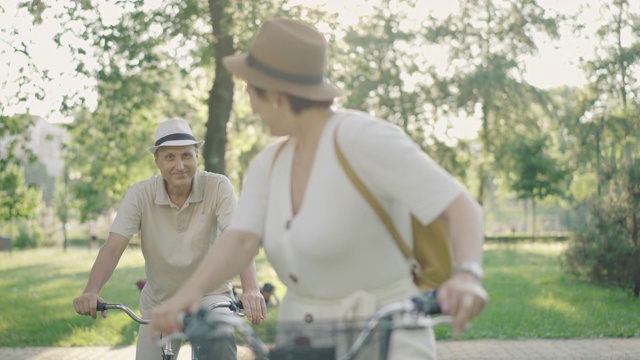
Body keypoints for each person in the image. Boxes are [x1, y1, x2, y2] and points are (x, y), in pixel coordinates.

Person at [150, 19, 488, 359]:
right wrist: (188, 295)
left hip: (387, 336)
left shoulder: (364, 139)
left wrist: (468, 275)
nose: (251, 107)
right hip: (305, 341)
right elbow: (240, 240)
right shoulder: (269, 163)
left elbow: (462, 208)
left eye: (252, 92)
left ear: (277, 93)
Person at [72, 118, 266, 360]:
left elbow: (238, 240)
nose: (180, 165)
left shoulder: (218, 186)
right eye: (170, 157)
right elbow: (113, 248)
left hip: (210, 296)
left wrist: (250, 290)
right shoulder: (140, 194)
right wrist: (92, 290)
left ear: (197, 155)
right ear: (157, 161)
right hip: (160, 300)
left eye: (186, 155)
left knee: (219, 347)